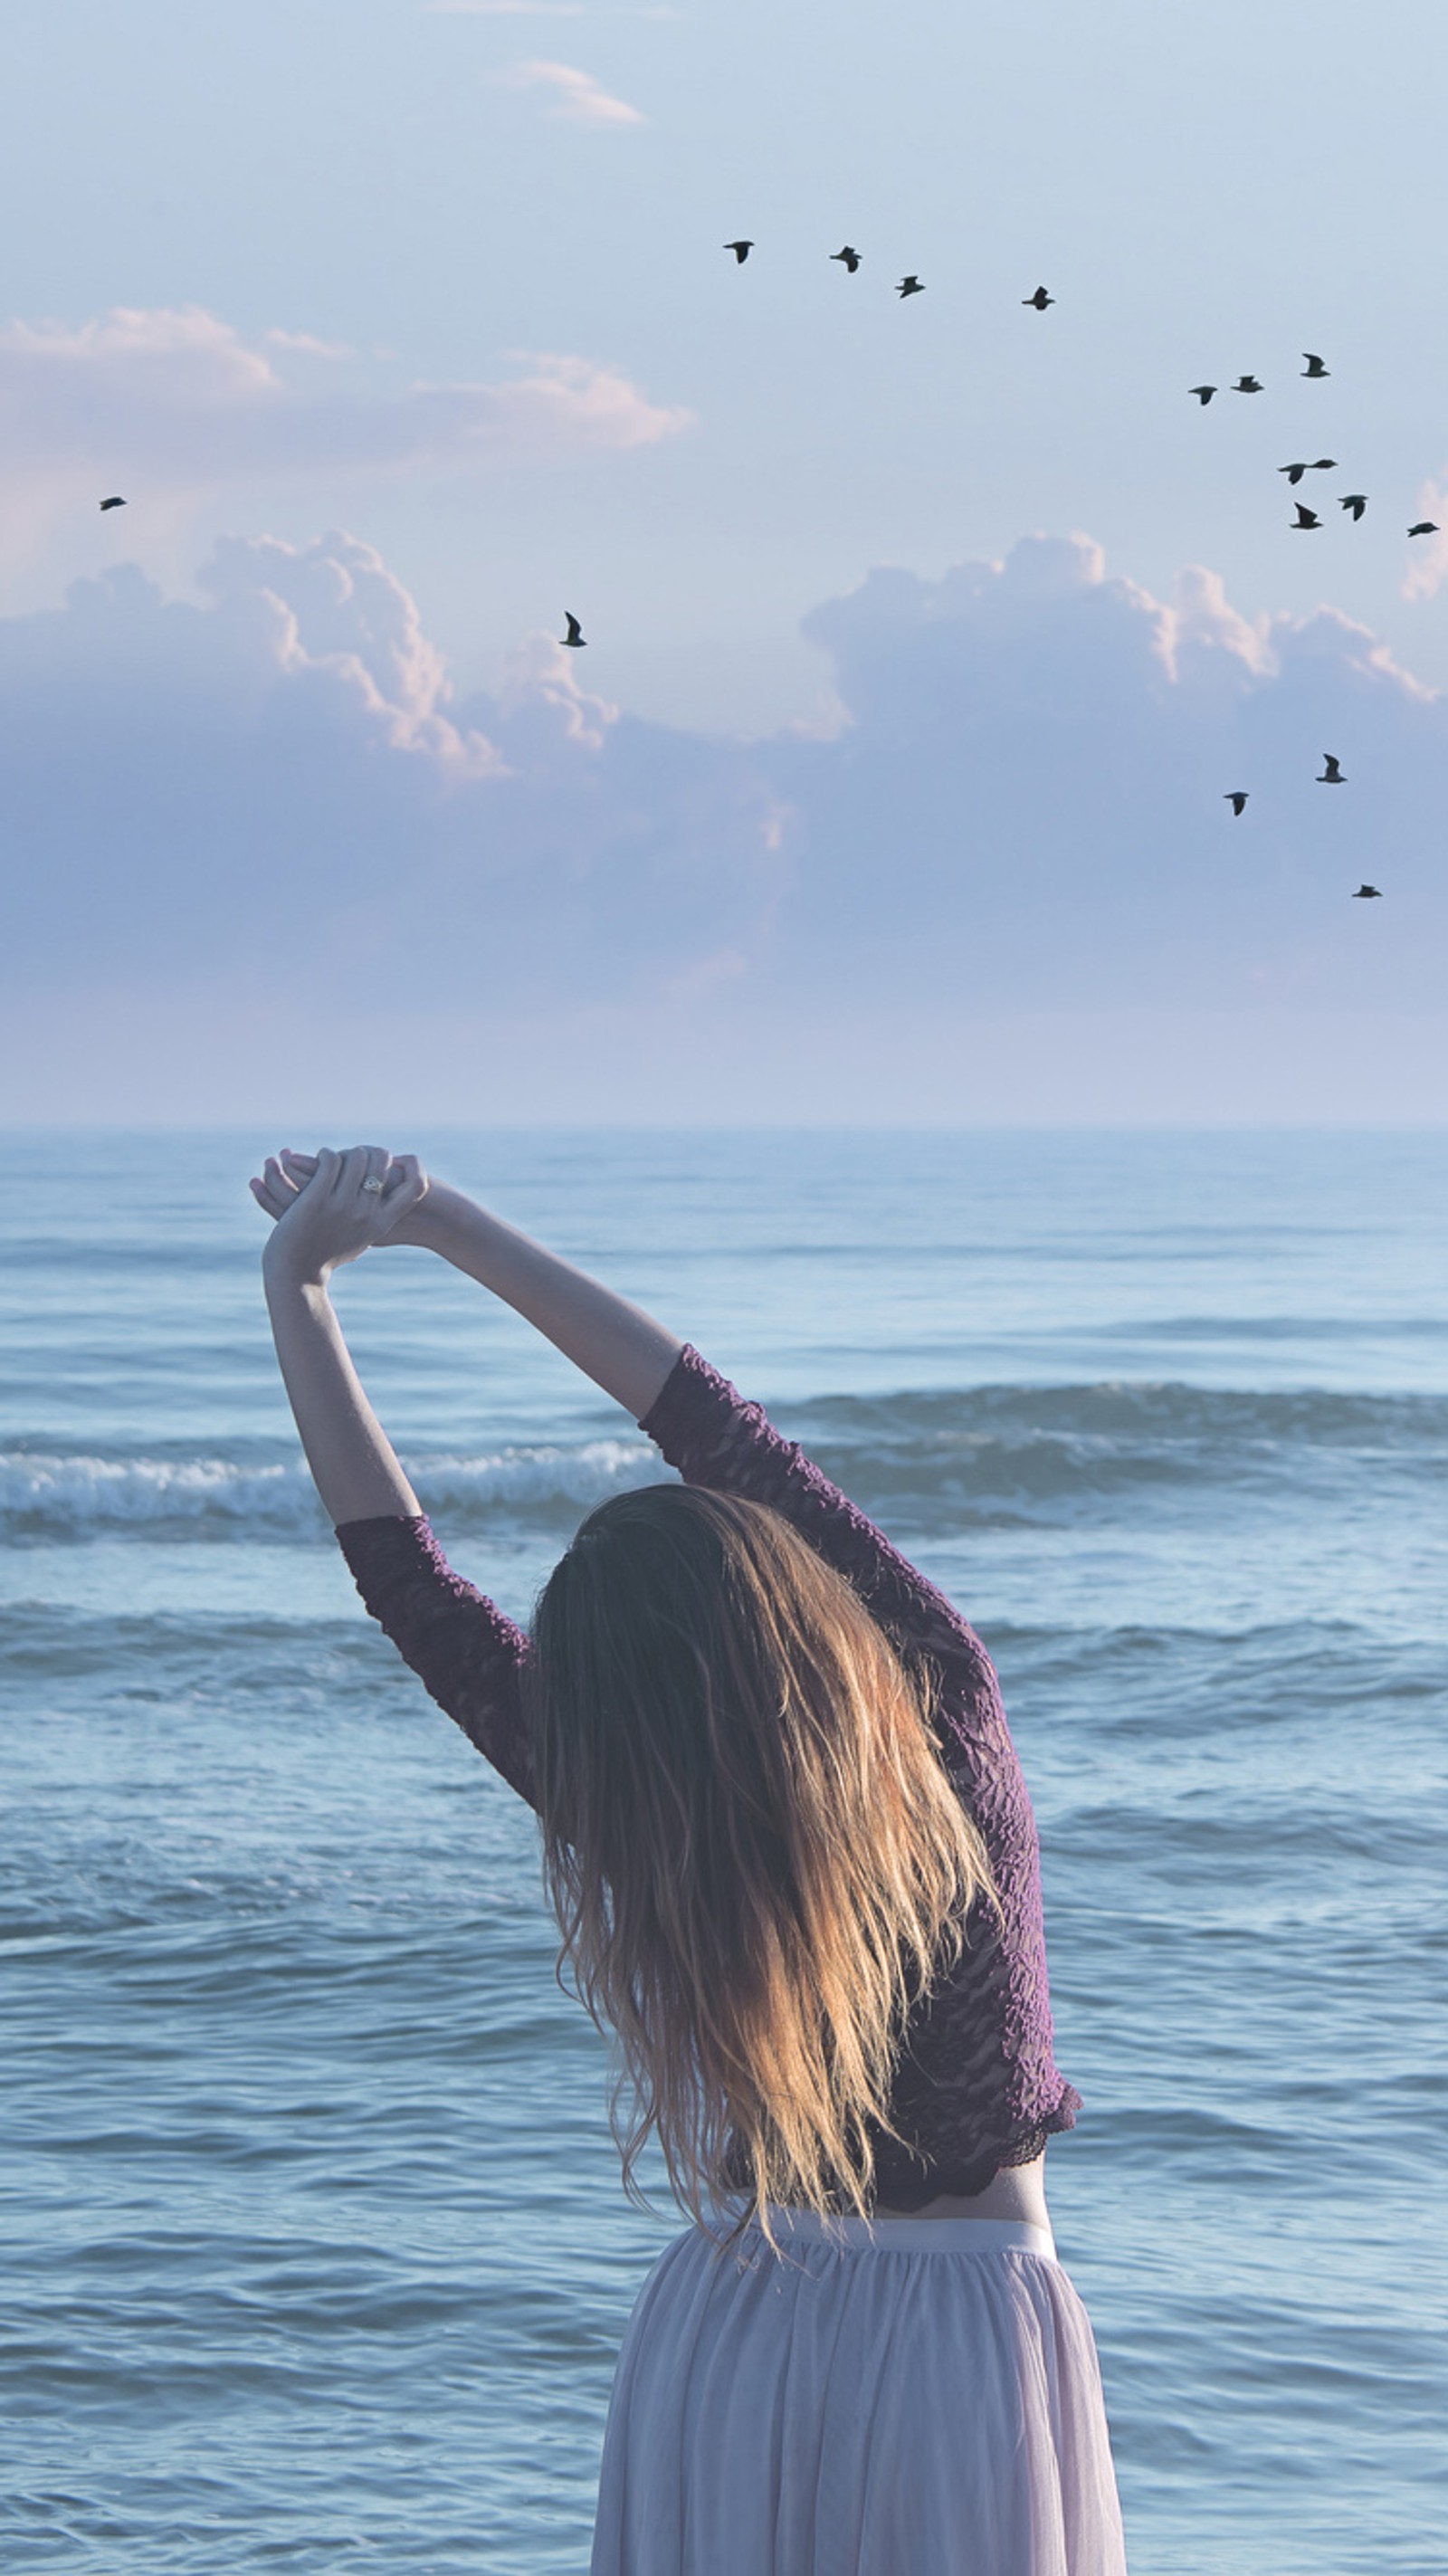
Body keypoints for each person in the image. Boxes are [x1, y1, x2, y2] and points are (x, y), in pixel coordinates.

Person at [250, 1141, 1129, 2576]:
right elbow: (712, 1425)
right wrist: (446, 1222)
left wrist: (297, 1287)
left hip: (731, 2345)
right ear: (792, 1606)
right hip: (967, 2347)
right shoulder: (942, 1712)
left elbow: (405, 1584)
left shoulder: (628, 1794)